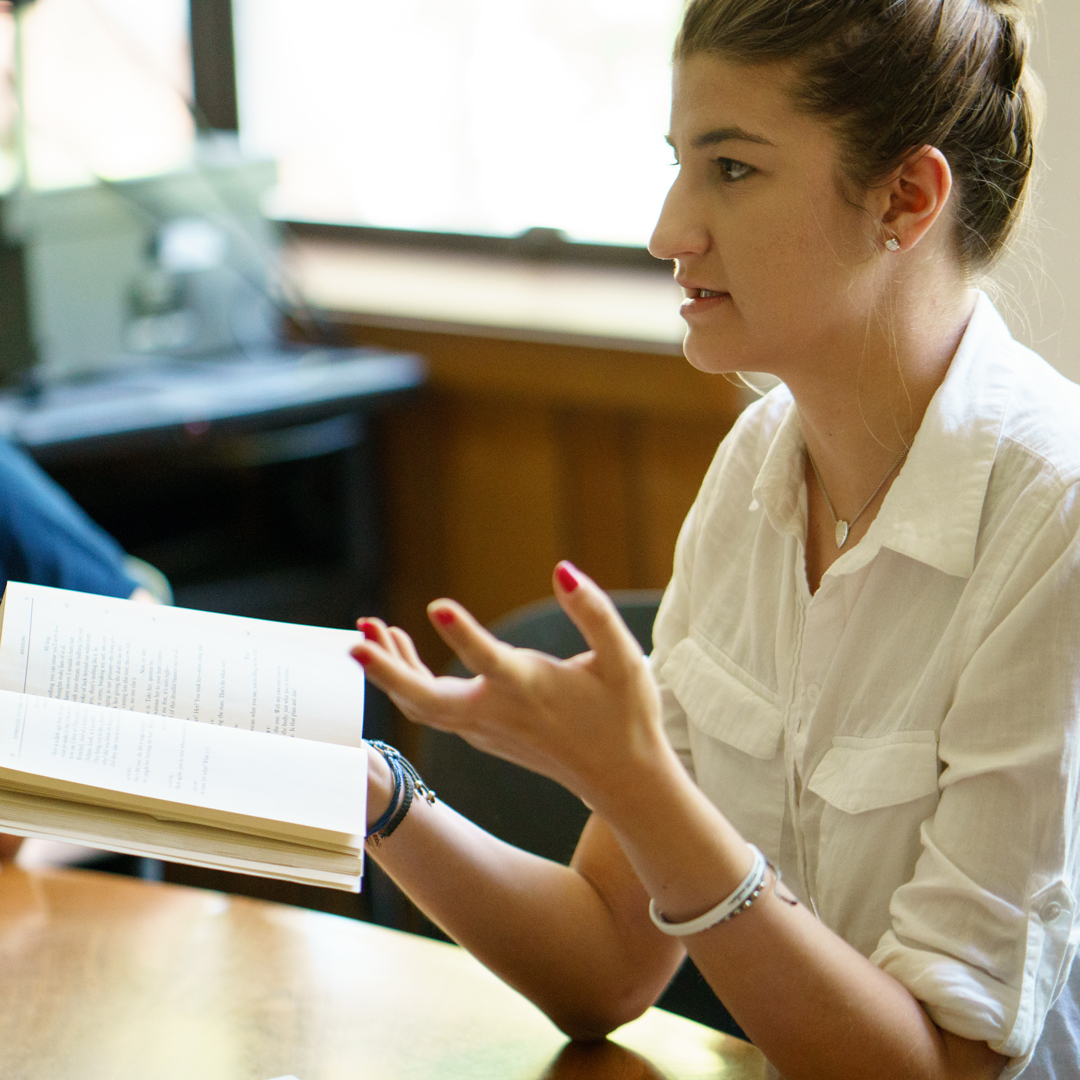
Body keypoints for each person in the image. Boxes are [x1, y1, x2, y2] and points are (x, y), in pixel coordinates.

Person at [351, 2, 1080, 1077]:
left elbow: (943, 1069)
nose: (668, 231)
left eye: (731, 170)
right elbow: (603, 961)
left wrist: (641, 788)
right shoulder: (757, 465)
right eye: (680, 164)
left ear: (909, 198)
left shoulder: (1054, 519)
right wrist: (370, 792)